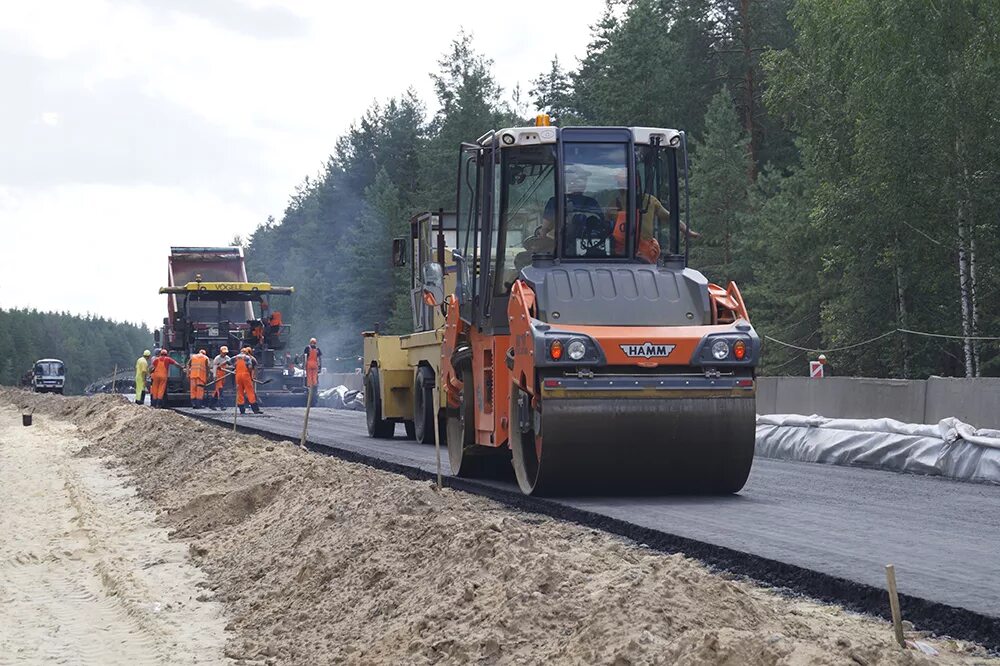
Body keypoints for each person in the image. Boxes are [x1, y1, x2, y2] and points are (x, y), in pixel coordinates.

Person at [233, 346, 261, 414]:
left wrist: (254, 376)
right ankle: (254, 409)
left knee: (242, 393)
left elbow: (255, 368)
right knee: (249, 392)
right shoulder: (247, 358)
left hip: (241, 377)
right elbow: (250, 368)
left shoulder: (238, 358)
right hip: (246, 377)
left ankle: (243, 409)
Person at [210, 346, 232, 410]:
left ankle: (211, 404)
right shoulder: (217, 358)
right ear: (220, 352)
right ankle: (222, 406)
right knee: (220, 390)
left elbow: (231, 364)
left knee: (216, 392)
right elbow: (214, 367)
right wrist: (214, 376)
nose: (224, 354)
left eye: (225, 353)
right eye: (223, 353)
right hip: (217, 376)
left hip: (223, 376)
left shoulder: (227, 358)